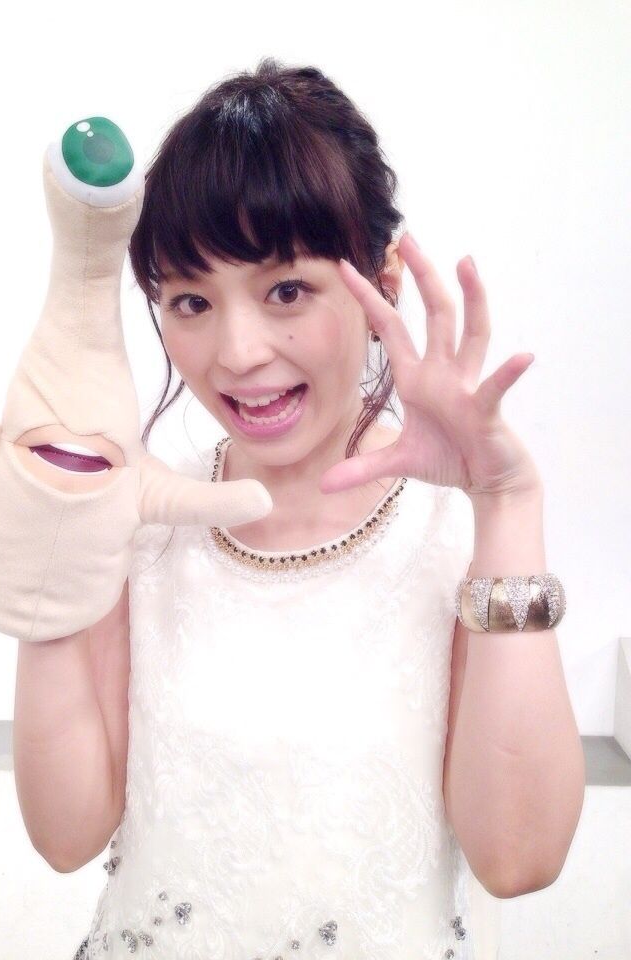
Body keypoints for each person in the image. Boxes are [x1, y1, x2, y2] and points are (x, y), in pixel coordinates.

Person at [71, 57, 584, 960]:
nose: (237, 352)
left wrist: (509, 504)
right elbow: (63, 834)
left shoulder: (460, 539)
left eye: (287, 290)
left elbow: (519, 858)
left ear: (383, 280)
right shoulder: (142, 523)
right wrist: (38, 552)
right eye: (191, 301)